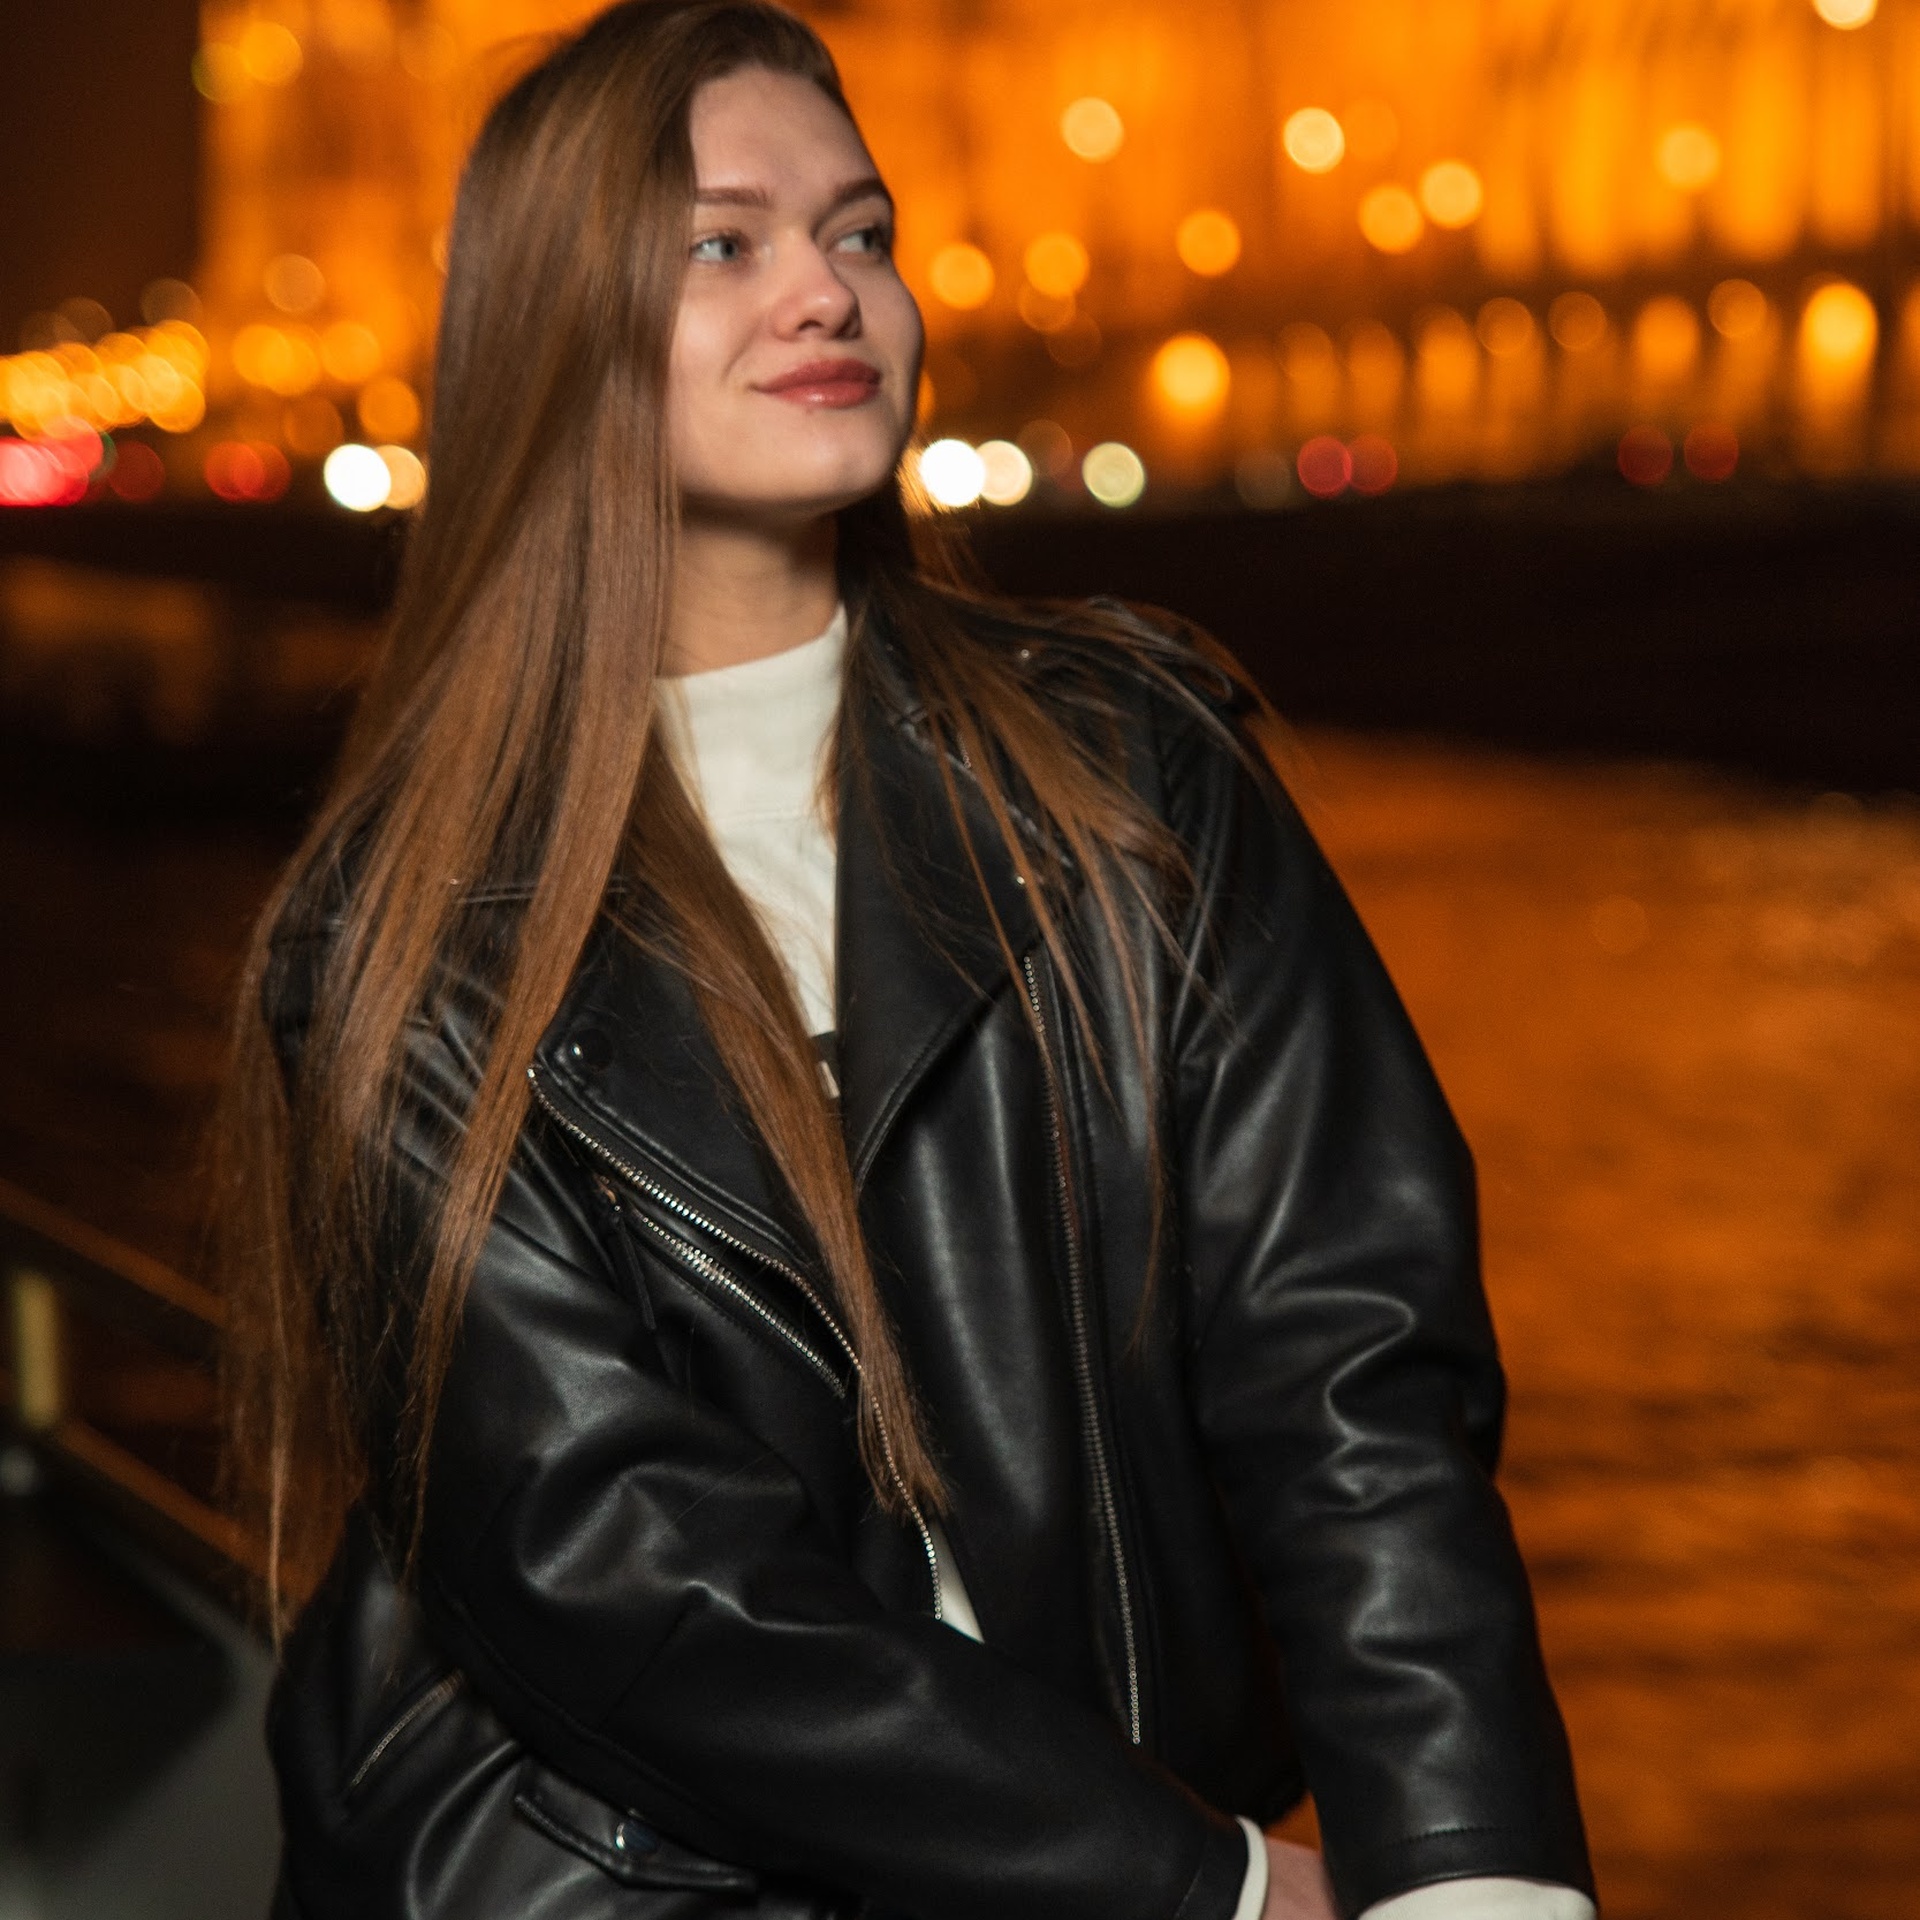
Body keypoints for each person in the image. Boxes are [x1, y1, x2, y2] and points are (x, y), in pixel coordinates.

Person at [218, 5, 1597, 1917]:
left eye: (858, 232)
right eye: (724, 244)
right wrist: (1195, 1886)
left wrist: (1469, 1876)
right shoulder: (413, 928)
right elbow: (618, 1568)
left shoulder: (1131, 770)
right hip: (625, 1883)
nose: (827, 293)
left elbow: (1350, 1367)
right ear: (554, 328)